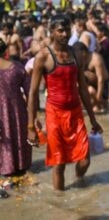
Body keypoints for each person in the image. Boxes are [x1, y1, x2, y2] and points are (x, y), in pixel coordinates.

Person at [27, 15, 103, 190]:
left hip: (76, 114)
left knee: (85, 160)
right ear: (52, 32)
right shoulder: (43, 57)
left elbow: (83, 88)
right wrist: (31, 126)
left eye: (67, 29)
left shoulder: (76, 54)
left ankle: (78, 183)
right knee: (59, 163)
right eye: (60, 30)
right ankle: (61, 203)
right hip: (54, 115)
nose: (64, 33)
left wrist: (93, 119)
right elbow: (32, 93)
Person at [0, 38, 32, 177]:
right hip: (17, 112)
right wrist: (33, 120)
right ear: (5, 50)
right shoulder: (18, 67)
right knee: (19, 139)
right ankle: (20, 168)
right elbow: (30, 94)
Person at [73, 42, 109, 113]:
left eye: (79, 55)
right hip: (87, 85)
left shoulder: (96, 58)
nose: (77, 57)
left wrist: (98, 100)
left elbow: (100, 80)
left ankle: (100, 104)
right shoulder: (77, 59)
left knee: (91, 92)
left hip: (101, 87)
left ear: (84, 52)